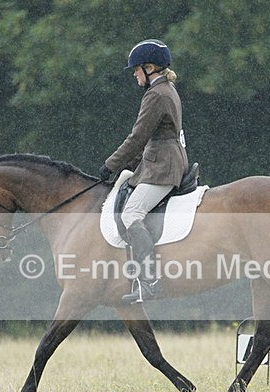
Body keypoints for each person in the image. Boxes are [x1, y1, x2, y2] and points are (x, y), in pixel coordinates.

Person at [99, 39, 188, 303]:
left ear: (150, 68)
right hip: (160, 160)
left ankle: (149, 281)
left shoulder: (156, 94)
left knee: (130, 215)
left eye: (137, 70)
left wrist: (111, 164)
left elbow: (138, 137)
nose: (135, 75)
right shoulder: (167, 89)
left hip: (163, 166)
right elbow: (150, 138)